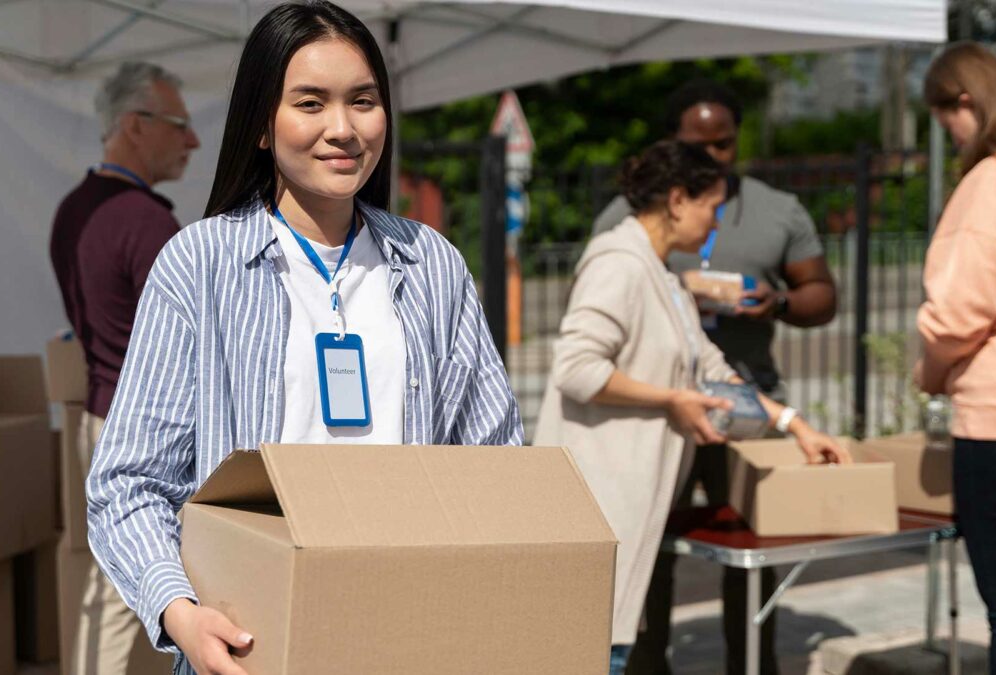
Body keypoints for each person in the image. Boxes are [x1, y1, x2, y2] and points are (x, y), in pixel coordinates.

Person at [85, 3, 522, 674]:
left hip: (410, 629)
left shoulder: (432, 263)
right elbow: (128, 480)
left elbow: (497, 459)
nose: (342, 129)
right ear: (263, 124)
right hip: (253, 639)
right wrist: (180, 612)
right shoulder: (200, 265)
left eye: (363, 101)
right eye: (310, 103)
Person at [533, 139, 848, 675]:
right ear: (678, 200)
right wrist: (672, 400)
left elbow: (715, 370)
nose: (718, 224)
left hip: (628, 505)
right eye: (712, 208)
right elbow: (578, 369)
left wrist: (794, 424)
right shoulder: (619, 265)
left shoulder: (664, 277)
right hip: (599, 504)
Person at [49, 61, 199, 675]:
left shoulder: (73, 210)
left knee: (105, 582)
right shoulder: (145, 222)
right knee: (124, 588)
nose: (191, 140)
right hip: (139, 433)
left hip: (98, 416)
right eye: (179, 125)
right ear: (135, 125)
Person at [917, 41, 996, 675]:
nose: (950, 135)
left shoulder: (992, 182)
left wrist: (926, 374)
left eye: (944, 120)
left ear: (964, 101)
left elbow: (959, 314)